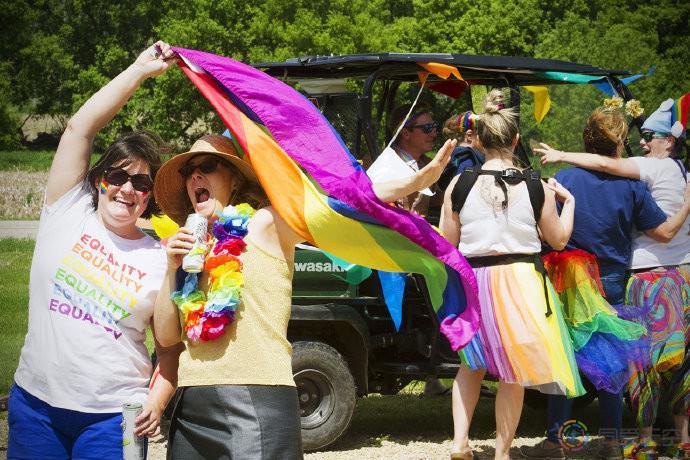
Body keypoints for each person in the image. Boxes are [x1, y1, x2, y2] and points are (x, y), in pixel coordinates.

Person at [153, 133, 456, 458]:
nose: (195, 175)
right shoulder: (191, 250)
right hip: (193, 405)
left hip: (254, 399)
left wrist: (413, 182)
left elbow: (338, 202)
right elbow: (168, 336)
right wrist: (173, 270)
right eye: (189, 171)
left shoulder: (264, 224)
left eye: (208, 166)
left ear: (235, 179)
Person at [8, 41, 182, 459]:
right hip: (35, 407)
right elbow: (79, 128)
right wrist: (139, 70)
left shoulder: (160, 258)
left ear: (149, 196)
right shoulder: (66, 209)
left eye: (141, 184)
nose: (127, 189)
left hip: (113, 419)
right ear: (100, 177)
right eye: (118, 176)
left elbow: (170, 353)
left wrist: (155, 403)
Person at [522, 106, 690, 460]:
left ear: (587, 140)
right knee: (613, 357)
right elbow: (661, 233)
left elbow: (543, 229)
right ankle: (612, 440)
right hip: (611, 277)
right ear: (619, 144)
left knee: (564, 352)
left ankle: (556, 441)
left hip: (566, 276)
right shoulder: (632, 188)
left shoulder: (564, 180)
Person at [440, 89, 584, 460]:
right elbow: (559, 239)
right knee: (513, 371)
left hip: (473, 281)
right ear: (515, 139)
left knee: (471, 365)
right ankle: (502, 452)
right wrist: (570, 204)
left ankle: (460, 443)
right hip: (521, 282)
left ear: (480, 140)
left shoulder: (460, 184)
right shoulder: (536, 185)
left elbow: (446, 242)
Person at [437, 110, 484, 191]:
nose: (486, 137)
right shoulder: (469, 161)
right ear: (469, 135)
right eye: (483, 132)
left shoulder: (453, 157)